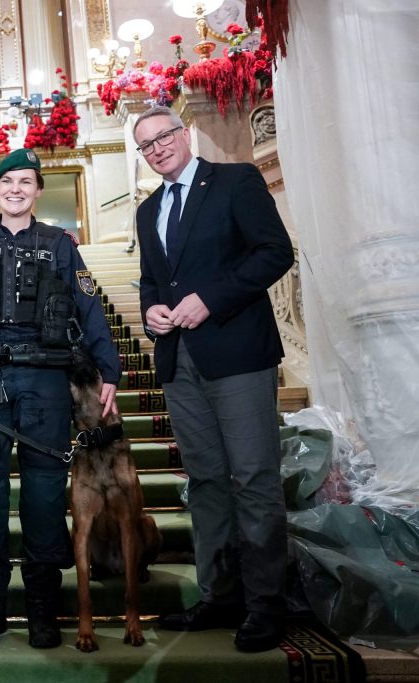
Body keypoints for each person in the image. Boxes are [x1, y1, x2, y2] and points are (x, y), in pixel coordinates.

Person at [0, 147, 121, 649]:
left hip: (44, 382)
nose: (16, 190)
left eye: (26, 182)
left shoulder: (60, 245)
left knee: (44, 494)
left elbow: (89, 307)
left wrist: (109, 371)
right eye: (8, 182)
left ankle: (41, 608)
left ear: (38, 191)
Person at [132, 105, 294, 653]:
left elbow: (276, 252)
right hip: (179, 362)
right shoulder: (148, 210)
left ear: (184, 134)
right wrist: (151, 310)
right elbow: (152, 280)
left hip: (237, 353)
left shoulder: (235, 180)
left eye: (164, 137)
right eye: (146, 145)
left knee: (254, 479)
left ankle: (265, 605)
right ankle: (219, 595)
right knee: (204, 482)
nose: (157, 149)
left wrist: (211, 299)